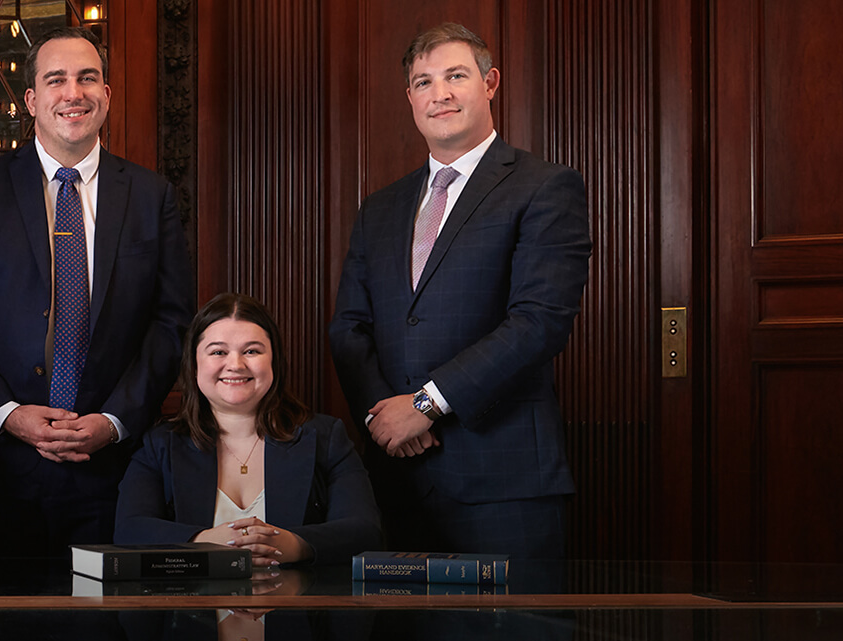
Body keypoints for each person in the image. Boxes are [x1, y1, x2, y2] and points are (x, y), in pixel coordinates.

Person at [0, 26, 194, 554]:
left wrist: (114, 421)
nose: (74, 93)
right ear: (31, 100)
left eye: (87, 78)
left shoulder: (150, 194)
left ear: (106, 95)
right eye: (56, 80)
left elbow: (172, 321)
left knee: (108, 607)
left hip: (113, 464)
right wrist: (7, 414)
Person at [328, 22, 591, 560]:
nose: (440, 94)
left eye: (455, 76)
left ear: (489, 83)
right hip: (394, 477)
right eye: (423, 82)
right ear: (410, 98)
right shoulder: (380, 208)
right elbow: (349, 327)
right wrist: (383, 416)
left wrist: (426, 405)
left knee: (515, 620)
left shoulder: (544, 187)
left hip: (503, 481)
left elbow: (538, 323)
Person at [116, 293, 380, 565]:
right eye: (218, 352)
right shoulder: (160, 443)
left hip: (297, 593)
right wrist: (202, 542)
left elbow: (365, 531)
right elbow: (128, 530)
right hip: (191, 594)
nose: (235, 365)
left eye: (251, 351)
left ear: (274, 361)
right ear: (194, 365)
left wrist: (294, 545)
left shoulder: (327, 437)